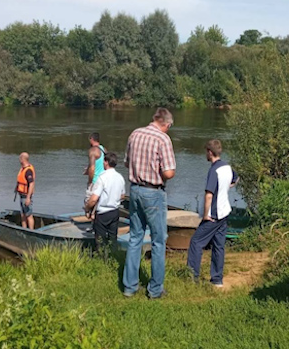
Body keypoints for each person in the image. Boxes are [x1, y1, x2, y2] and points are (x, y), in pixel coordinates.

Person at [123, 108, 176, 299]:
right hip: (153, 192)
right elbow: (169, 172)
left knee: (135, 238)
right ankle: (155, 289)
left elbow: (127, 163)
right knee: (158, 241)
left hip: (134, 190)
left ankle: (129, 287)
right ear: (166, 124)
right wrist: (160, 172)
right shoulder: (163, 139)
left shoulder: (135, 134)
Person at [187, 140, 238, 288]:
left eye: (206, 152)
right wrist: (226, 187)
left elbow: (209, 195)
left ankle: (192, 277)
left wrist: (205, 215)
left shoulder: (214, 170)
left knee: (196, 242)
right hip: (225, 211)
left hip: (214, 214)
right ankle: (217, 279)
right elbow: (235, 179)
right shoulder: (227, 167)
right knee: (219, 245)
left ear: (210, 152)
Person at [84, 152, 126, 257]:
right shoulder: (120, 177)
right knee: (113, 238)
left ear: (106, 162)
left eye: (103, 161)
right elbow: (122, 196)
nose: (103, 163)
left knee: (100, 240)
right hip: (115, 211)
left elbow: (94, 199)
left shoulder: (102, 177)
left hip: (103, 212)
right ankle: (114, 258)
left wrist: (87, 208)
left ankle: (101, 259)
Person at [84, 133, 106, 217]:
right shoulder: (103, 149)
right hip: (103, 179)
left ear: (91, 139)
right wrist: (87, 169)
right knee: (98, 201)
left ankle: (89, 217)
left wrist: (90, 181)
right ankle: (95, 216)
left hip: (95, 179)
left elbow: (92, 168)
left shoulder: (93, 150)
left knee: (89, 201)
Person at [15, 153, 36, 229]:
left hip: (26, 196)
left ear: (22, 159)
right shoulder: (23, 168)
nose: (19, 160)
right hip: (21, 195)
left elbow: (31, 184)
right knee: (23, 214)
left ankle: (31, 231)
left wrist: (28, 198)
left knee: (29, 215)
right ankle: (24, 229)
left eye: (20, 158)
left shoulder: (28, 170)